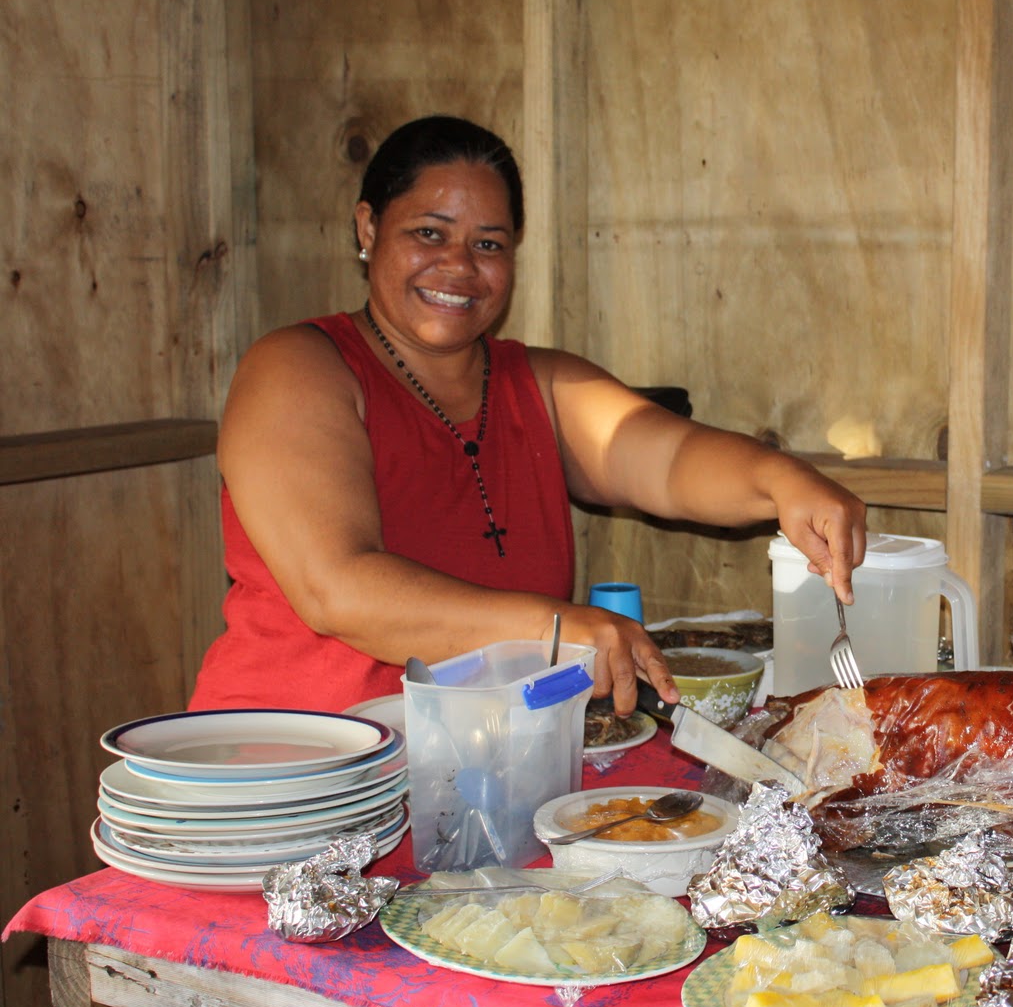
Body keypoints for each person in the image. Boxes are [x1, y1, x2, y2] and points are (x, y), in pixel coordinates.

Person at [189, 114, 867, 716]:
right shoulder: (297, 368)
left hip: (479, 782)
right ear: (368, 227)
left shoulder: (536, 383)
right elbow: (337, 588)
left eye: (488, 245)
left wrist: (784, 482)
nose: (457, 266)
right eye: (429, 233)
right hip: (291, 782)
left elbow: (667, 458)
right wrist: (555, 628)